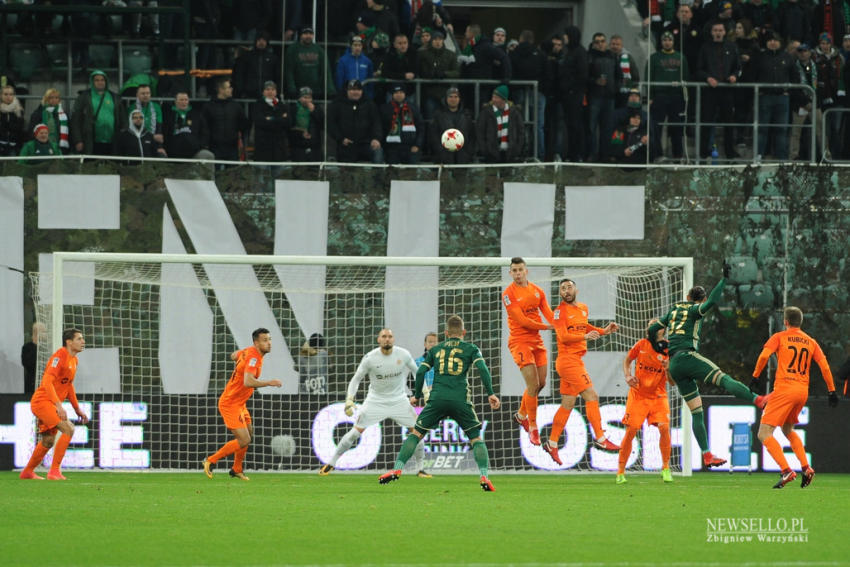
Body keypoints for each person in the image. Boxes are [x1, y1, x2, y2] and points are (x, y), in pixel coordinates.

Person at [648, 264, 770, 469]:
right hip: (688, 356)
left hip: (675, 364)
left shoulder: (674, 309)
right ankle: (757, 399)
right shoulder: (697, 310)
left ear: (687, 296)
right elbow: (713, 301)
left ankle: (707, 455)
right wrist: (724, 280)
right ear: (700, 299)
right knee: (724, 378)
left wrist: (658, 345)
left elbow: (653, 329)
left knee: (696, 412)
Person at [379, 315, 500, 491]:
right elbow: (482, 369)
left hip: (436, 399)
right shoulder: (471, 348)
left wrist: (417, 395)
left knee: (416, 434)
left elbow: (420, 372)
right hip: (460, 400)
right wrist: (491, 393)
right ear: (463, 332)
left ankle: (397, 469)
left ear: (446, 333)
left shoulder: (436, 350)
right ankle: (484, 476)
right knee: (476, 438)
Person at [319, 328, 430, 478]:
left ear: (393, 339)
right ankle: (331, 463)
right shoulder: (370, 358)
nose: (387, 339)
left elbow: (418, 373)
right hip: (375, 401)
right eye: (384, 336)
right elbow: (356, 378)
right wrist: (349, 400)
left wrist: (425, 393)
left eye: (390, 336)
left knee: (417, 432)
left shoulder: (403, 354)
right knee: (355, 433)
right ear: (378, 340)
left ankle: (420, 469)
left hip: (399, 400)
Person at [751, 307, 838, 489]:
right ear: (801, 322)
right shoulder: (810, 341)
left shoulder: (779, 337)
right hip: (801, 392)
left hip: (784, 389)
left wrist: (755, 376)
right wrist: (831, 391)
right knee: (788, 429)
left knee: (764, 433)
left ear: (785, 322)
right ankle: (806, 468)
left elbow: (764, 355)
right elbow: (825, 367)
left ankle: (786, 471)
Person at [541, 278, 620, 466]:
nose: (566, 291)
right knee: (591, 395)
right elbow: (563, 336)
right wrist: (584, 336)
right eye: (562, 289)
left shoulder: (583, 308)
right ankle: (600, 438)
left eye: (569, 287)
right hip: (568, 361)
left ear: (576, 289)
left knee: (568, 403)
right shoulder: (559, 312)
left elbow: (585, 327)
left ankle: (552, 443)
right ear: (560, 294)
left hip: (575, 360)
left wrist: (603, 331)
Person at [203, 328, 282, 480]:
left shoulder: (249, 352)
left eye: (270, 339)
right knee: (244, 440)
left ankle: (237, 469)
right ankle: (210, 460)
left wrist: (241, 355)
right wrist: (269, 382)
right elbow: (248, 381)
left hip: (240, 403)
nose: (269, 343)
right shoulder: (254, 358)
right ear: (256, 342)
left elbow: (233, 355)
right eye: (265, 340)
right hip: (230, 403)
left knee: (249, 434)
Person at [19, 328, 90, 480]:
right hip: (42, 401)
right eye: (79, 339)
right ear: (69, 342)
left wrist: (77, 408)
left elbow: (68, 385)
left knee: (48, 440)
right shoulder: (59, 357)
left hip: (50, 404)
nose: (83, 341)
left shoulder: (74, 360)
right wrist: (59, 405)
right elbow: (46, 382)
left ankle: (27, 472)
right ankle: (54, 471)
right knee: (68, 428)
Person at [502, 256, 555, 446]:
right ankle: (533, 428)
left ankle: (522, 414)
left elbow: (548, 312)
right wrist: (548, 327)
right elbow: (522, 321)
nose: (517, 273)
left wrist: (560, 322)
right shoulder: (508, 294)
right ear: (510, 273)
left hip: (536, 342)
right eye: (514, 271)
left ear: (526, 271)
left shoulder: (537, 291)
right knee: (532, 385)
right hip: (519, 341)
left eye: (520, 270)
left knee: (541, 384)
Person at [616, 319, 673, 484]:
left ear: (662, 330)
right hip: (638, 395)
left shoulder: (669, 349)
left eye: (654, 325)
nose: (650, 327)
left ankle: (666, 468)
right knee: (632, 430)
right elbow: (627, 360)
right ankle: (620, 472)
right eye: (649, 325)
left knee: (664, 427)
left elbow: (672, 382)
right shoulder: (641, 344)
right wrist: (627, 375)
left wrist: (668, 367)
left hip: (658, 396)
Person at [696, 21, 741, 161]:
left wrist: (734, 76)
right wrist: (708, 77)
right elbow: (698, 69)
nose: (718, 32)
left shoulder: (732, 47)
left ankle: (730, 151)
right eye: (715, 30)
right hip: (710, 90)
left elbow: (738, 67)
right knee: (707, 120)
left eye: (720, 30)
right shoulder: (705, 47)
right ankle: (704, 151)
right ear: (711, 32)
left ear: (724, 32)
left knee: (729, 122)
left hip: (726, 89)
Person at [754, 32, 797, 160]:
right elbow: (753, 75)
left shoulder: (787, 57)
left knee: (781, 130)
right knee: (762, 130)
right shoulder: (760, 57)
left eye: (776, 40)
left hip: (782, 98)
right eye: (770, 40)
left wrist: (788, 90)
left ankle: (781, 159)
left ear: (780, 42)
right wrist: (759, 90)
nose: (773, 42)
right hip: (764, 97)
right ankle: (759, 156)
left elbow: (795, 76)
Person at [647, 31, 688, 161]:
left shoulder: (681, 57)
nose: (667, 42)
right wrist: (649, 97)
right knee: (656, 127)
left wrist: (684, 97)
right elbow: (648, 77)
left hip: (676, 97)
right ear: (661, 42)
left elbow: (686, 77)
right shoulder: (654, 58)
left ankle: (678, 155)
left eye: (669, 40)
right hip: (659, 96)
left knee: (677, 128)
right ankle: (658, 155)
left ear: (673, 41)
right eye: (664, 40)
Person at [326, 79, 383, 163]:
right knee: (346, 171)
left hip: (366, 144)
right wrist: (340, 138)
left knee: (378, 151)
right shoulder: (337, 104)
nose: (355, 92)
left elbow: (376, 123)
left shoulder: (370, 104)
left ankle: (378, 176)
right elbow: (331, 124)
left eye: (358, 90)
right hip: (346, 145)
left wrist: (376, 138)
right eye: (352, 89)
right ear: (347, 91)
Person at [70, 70, 124, 156]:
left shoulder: (115, 98)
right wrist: (78, 140)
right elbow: (76, 120)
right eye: (97, 80)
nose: (100, 82)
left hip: (112, 142)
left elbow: (123, 119)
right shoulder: (84, 97)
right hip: (90, 142)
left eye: (102, 80)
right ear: (92, 82)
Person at [586, 32, 619, 161]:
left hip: (609, 97)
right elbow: (584, 77)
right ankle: (592, 154)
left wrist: (615, 88)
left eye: (602, 41)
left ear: (606, 43)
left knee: (608, 128)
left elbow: (619, 75)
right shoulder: (589, 57)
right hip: (595, 97)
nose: (600, 44)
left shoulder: (612, 56)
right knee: (591, 128)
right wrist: (595, 81)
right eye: (597, 42)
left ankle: (605, 155)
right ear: (593, 44)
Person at [201, 77, 250, 162]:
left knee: (232, 173)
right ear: (221, 90)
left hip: (232, 148)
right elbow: (204, 127)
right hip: (214, 147)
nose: (231, 89)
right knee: (215, 173)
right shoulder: (208, 107)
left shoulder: (236, 106)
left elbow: (244, 124)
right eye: (229, 87)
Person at [476, 84, 524, 163]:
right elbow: (480, 132)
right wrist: (485, 150)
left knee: (508, 175)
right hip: (490, 154)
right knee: (491, 175)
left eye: (496, 97)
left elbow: (521, 132)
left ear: (504, 99)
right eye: (493, 97)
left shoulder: (514, 113)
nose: (493, 100)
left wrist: (517, 150)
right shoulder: (486, 112)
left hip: (510, 154)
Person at [285, 27, 336, 100]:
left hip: (316, 92)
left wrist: (330, 90)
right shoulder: (292, 50)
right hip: (297, 92)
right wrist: (291, 88)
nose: (308, 36)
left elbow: (326, 71)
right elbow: (289, 71)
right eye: (305, 33)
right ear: (300, 35)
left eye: (310, 33)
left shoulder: (319, 50)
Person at [429, 86, 475, 164]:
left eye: (455, 97)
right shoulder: (438, 115)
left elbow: (472, 135)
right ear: (446, 98)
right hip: (443, 158)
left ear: (459, 99)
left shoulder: (467, 115)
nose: (453, 99)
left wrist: (468, 153)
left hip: (463, 158)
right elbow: (433, 135)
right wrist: (440, 151)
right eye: (450, 96)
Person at [162, 91, 214, 159]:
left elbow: (204, 132)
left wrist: (201, 146)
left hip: (194, 151)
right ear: (175, 101)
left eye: (186, 100)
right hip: (173, 153)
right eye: (181, 100)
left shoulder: (197, 115)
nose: (184, 102)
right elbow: (165, 133)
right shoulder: (168, 116)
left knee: (208, 155)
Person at [380, 84, 424, 164]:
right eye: (396, 92)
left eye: (401, 92)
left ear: (405, 94)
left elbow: (421, 128)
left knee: (410, 172)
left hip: (411, 147)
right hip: (392, 148)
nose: (399, 95)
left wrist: (417, 145)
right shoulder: (385, 109)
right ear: (392, 94)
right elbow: (382, 128)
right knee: (392, 172)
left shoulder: (413, 108)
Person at [232, 30, 281, 99]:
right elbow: (239, 75)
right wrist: (241, 91)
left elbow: (278, 77)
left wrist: (276, 91)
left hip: (268, 95)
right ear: (255, 41)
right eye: (259, 40)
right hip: (249, 94)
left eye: (264, 40)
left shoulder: (273, 58)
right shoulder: (246, 57)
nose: (261, 42)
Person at [251, 80, 291, 162]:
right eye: (267, 89)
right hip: (263, 147)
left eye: (272, 89)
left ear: (276, 91)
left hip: (279, 148)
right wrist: (279, 119)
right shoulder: (258, 105)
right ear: (263, 92)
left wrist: (270, 119)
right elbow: (261, 122)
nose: (270, 92)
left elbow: (287, 122)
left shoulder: (282, 105)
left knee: (279, 173)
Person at [28, 88, 70, 154]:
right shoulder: (38, 113)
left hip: (59, 148)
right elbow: (32, 131)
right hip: (41, 147)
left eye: (56, 98)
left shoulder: (64, 115)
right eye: (51, 98)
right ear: (46, 99)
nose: (54, 100)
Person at [289, 86, 324, 161]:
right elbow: (289, 127)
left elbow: (322, 125)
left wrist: (314, 112)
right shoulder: (293, 109)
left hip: (314, 146)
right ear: (299, 98)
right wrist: (300, 133)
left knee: (314, 171)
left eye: (309, 98)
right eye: (304, 97)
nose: (307, 100)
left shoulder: (317, 109)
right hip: (298, 146)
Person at [131, 84, 164, 150]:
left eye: (148, 93)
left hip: (154, 143)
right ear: (137, 95)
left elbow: (159, 128)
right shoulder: (132, 108)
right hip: (137, 142)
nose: (146, 95)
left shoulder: (156, 107)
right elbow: (132, 129)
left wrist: (160, 147)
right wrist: (151, 137)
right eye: (143, 93)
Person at [0, 84, 26, 157]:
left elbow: (20, 130)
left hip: (14, 146)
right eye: (5, 94)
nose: (8, 97)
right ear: (1, 95)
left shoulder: (19, 111)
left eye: (11, 94)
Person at [20, 322, 45, 394]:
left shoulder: (48, 348)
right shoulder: (27, 347)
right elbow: (27, 364)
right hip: (32, 385)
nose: (46, 334)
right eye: (44, 332)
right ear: (37, 333)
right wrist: (36, 345)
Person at [414, 332, 438, 401]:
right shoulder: (417, 362)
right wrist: (423, 390)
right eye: (430, 342)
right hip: (422, 398)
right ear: (425, 344)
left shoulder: (442, 362)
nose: (433, 344)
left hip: (438, 396)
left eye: (435, 342)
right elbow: (410, 382)